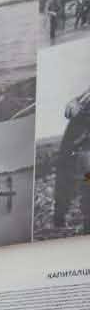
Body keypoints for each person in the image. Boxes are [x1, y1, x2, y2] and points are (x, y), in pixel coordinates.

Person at [52, 85, 90, 233]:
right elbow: (70, 110)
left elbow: (72, 109)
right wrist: (76, 102)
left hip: (81, 150)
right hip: (80, 151)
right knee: (83, 184)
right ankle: (61, 217)